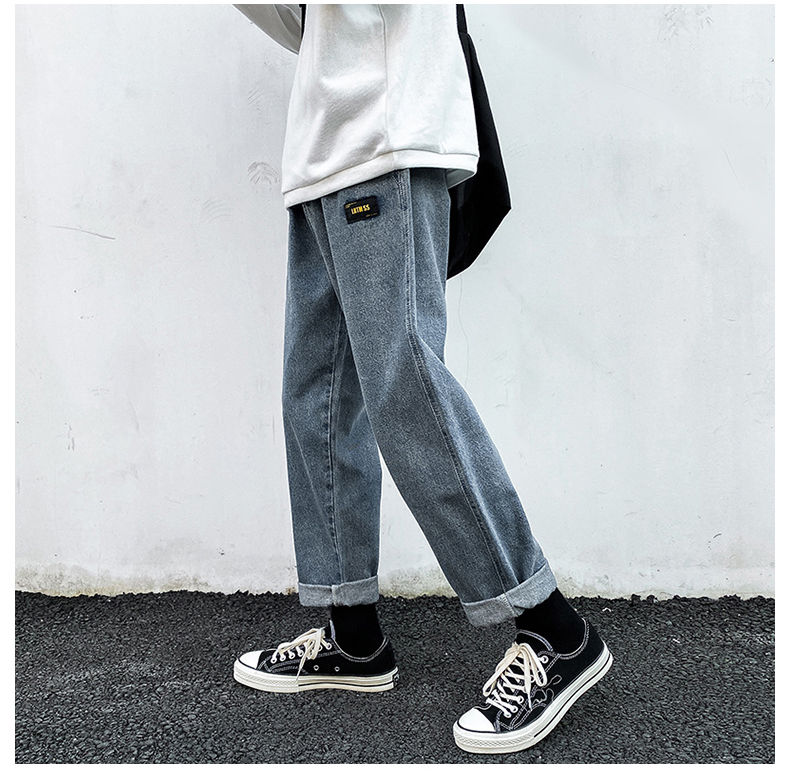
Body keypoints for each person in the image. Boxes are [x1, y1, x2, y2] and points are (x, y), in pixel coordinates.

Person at [231, 4, 612, 754]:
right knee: (315, 396)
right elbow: (294, 22)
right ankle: (352, 632)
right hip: (321, 146)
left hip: (390, 127)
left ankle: (555, 630)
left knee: (405, 384)